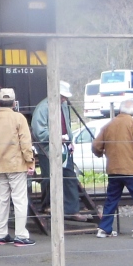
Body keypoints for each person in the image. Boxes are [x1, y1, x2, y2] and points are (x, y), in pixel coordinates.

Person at [92, 98, 133, 239]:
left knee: (111, 199)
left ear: (120, 110)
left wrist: (101, 153)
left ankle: (104, 229)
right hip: (132, 169)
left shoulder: (108, 125)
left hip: (113, 169)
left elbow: (96, 146)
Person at [0, 87, 35, 246]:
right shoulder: (19, 118)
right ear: (14, 103)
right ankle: (21, 235)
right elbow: (25, 143)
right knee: (19, 200)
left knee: (1, 200)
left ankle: (1, 234)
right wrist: (30, 161)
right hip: (16, 165)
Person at [30, 91, 85, 219]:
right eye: (63, 97)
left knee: (69, 177)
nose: (65, 99)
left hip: (63, 147)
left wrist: (69, 141)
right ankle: (48, 205)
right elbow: (39, 131)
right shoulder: (43, 108)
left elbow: (66, 125)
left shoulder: (62, 105)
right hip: (48, 148)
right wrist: (57, 137)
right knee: (49, 178)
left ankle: (70, 210)